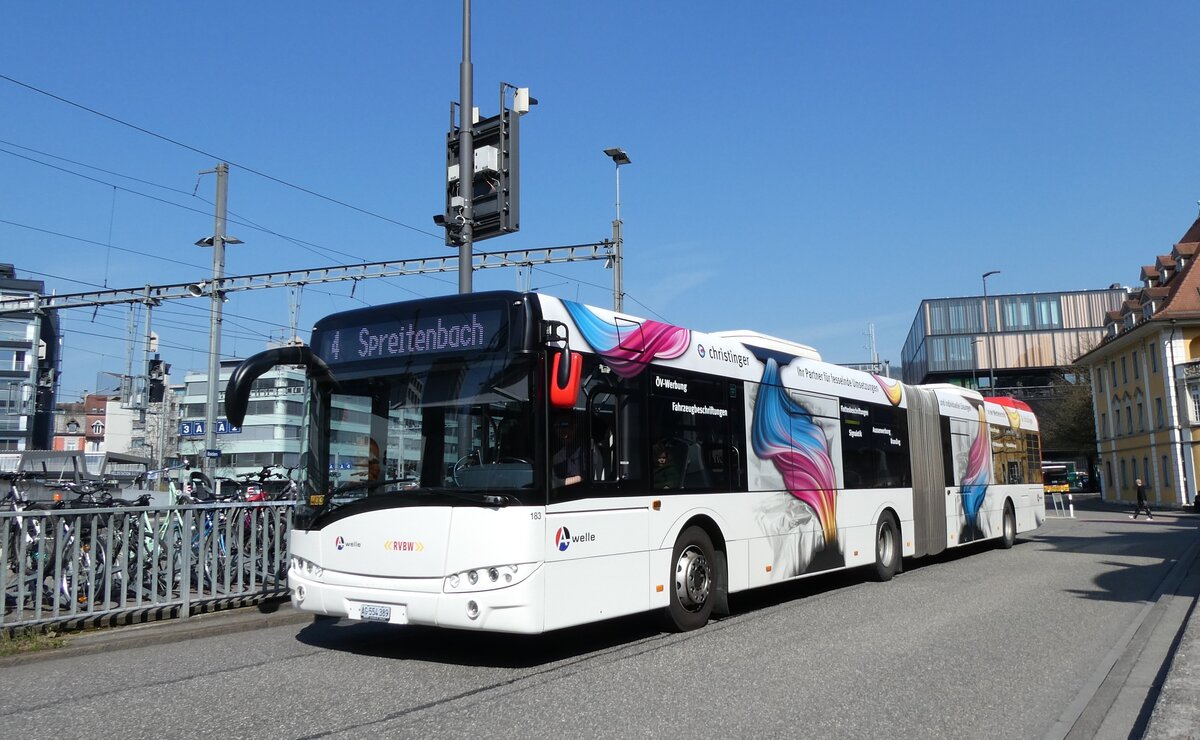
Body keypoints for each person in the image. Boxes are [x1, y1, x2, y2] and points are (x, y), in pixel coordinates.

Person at [552, 415, 585, 486]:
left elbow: (584, 478)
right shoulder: (557, 455)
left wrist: (555, 482)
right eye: (557, 427)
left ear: (575, 427)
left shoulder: (586, 450)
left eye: (564, 426)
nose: (560, 431)